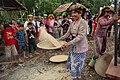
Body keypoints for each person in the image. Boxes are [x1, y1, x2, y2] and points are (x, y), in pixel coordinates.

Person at [58, 3, 88, 80]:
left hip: (81, 46)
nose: (73, 15)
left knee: (78, 63)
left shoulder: (83, 23)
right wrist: (59, 39)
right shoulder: (72, 22)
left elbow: (80, 36)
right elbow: (68, 34)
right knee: (73, 61)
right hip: (73, 45)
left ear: (80, 13)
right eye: (72, 13)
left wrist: (69, 43)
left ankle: (76, 76)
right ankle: (74, 75)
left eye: (75, 13)